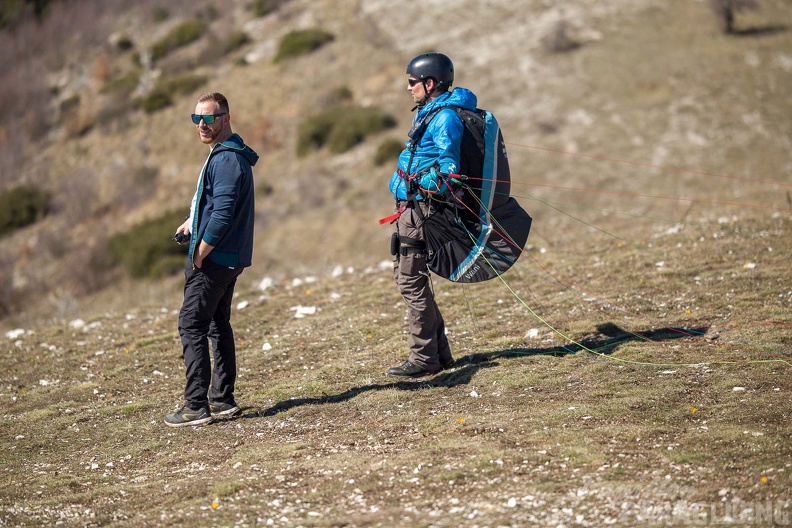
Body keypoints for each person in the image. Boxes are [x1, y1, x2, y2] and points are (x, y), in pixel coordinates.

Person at [164, 92, 259, 427]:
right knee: (218, 324)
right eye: (196, 119)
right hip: (229, 257)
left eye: (208, 118)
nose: (202, 125)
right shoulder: (228, 155)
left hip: (216, 259)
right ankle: (221, 399)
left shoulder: (226, 159)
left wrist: (201, 253)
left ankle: (196, 406)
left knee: (191, 325)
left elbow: (222, 214)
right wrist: (192, 223)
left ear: (226, 118)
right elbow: (213, 205)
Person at [386, 52, 478, 377]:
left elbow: (448, 170)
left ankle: (425, 358)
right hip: (410, 208)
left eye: (412, 82)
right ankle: (439, 353)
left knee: (410, 280)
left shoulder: (445, 118)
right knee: (409, 277)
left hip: (420, 210)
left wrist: (416, 180)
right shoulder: (430, 111)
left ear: (429, 83)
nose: (408, 88)